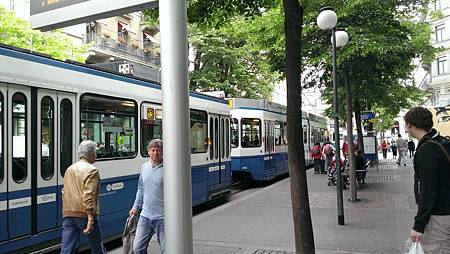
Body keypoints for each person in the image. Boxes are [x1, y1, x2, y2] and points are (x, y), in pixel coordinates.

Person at [405, 107, 450, 253]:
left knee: (437, 249)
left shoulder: (428, 150)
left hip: (439, 215)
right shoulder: (440, 142)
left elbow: (428, 190)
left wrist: (419, 225)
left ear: (410, 124)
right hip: (444, 211)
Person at [61, 140, 106, 254]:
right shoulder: (92, 171)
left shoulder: (69, 169)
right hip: (84, 215)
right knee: (97, 247)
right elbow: (89, 194)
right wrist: (90, 216)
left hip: (68, 214)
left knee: (67, 249)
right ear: (90, 154)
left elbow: (64, 192)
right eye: (95, 152)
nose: (96, 155)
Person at [129, 139, 165, 254]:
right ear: (148, 152)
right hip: (145, 216)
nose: (156, 153)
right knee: (137, 248)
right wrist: (135, 207)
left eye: (158, 150)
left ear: (163, 152)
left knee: (167, 250)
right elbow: (141, 188)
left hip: (163, 217)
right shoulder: (144, 167)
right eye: (153, 150)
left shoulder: (169, 169)